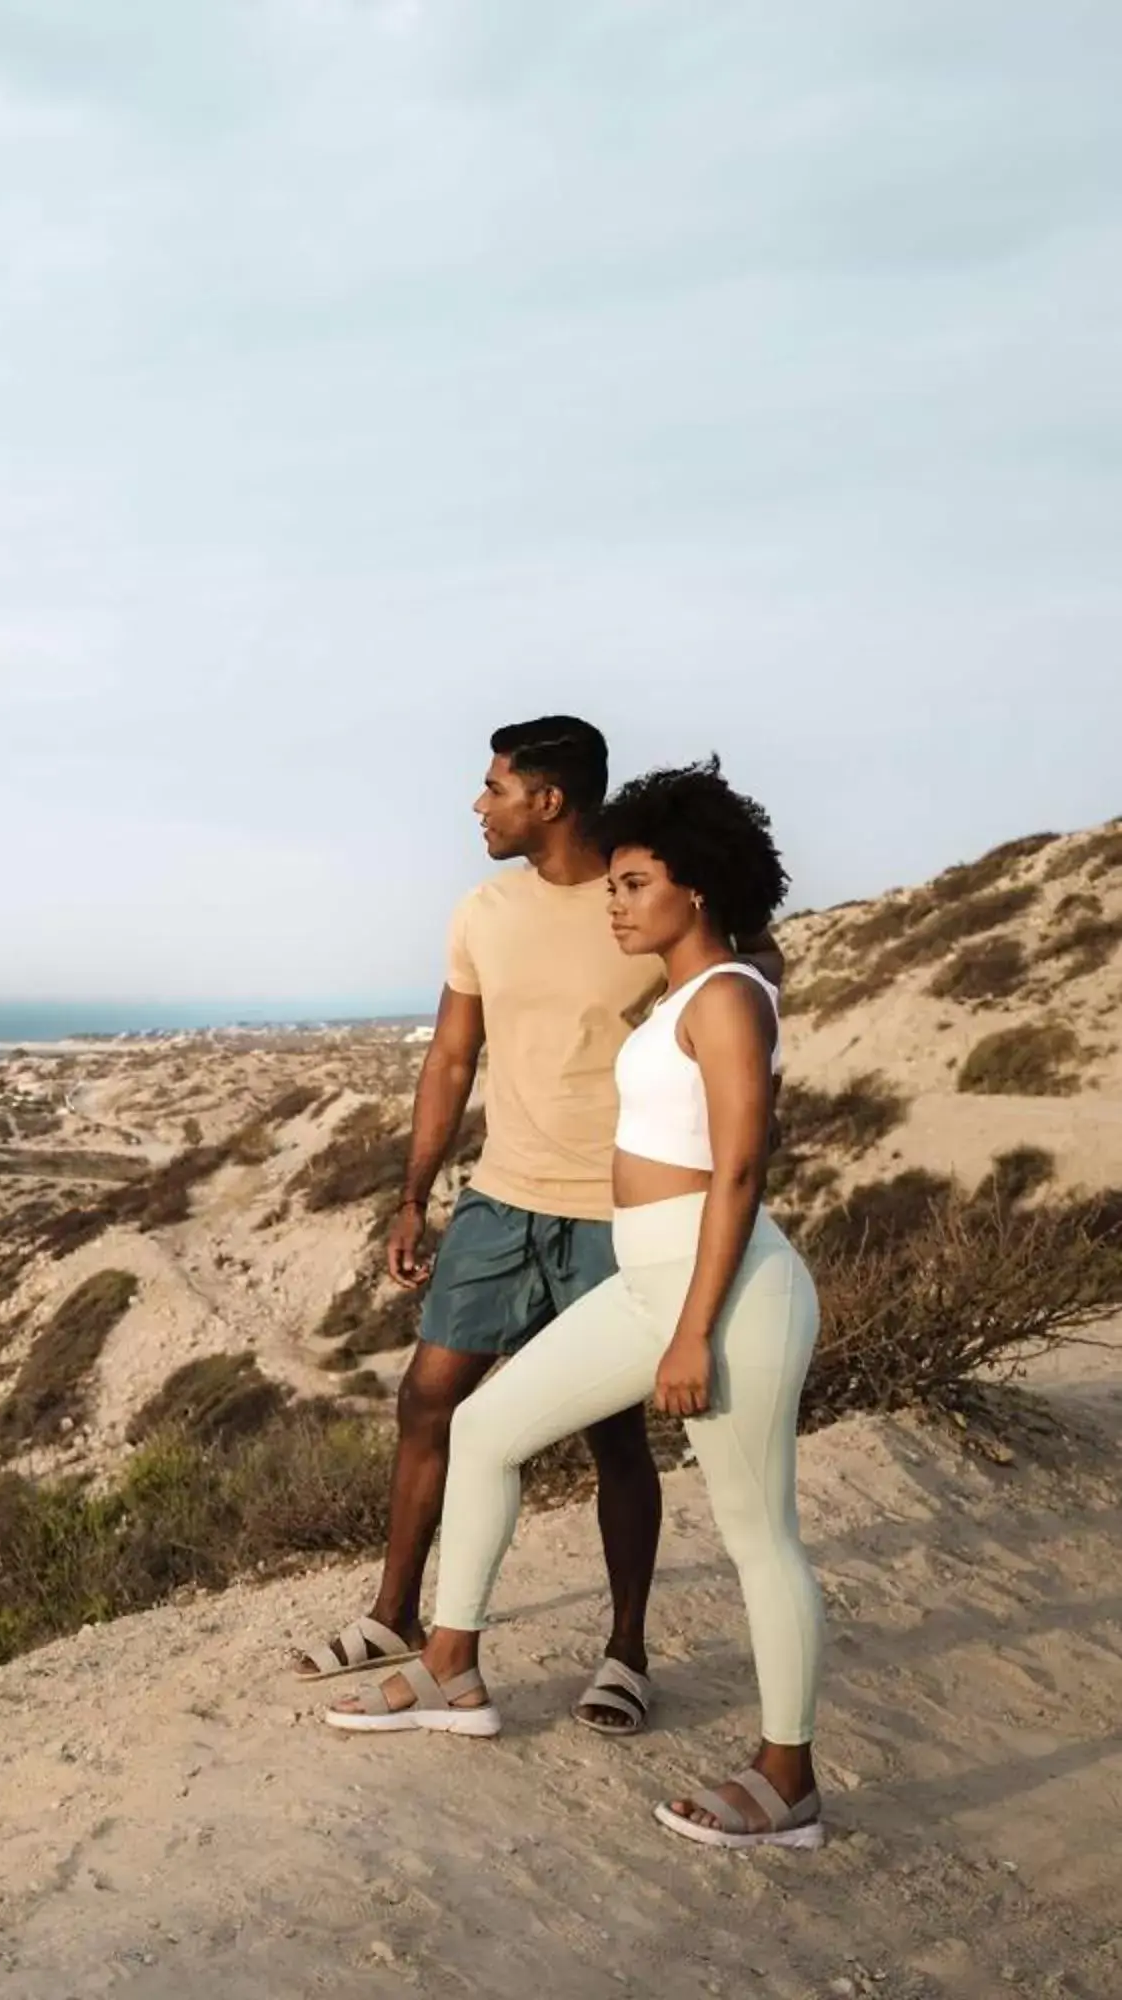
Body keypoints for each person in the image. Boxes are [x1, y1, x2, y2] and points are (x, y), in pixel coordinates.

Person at [325, 759, 829, 1852]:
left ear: (694, 889)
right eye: (616, 880)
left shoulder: (730, 997)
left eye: (636, 882)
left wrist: (693, 1329)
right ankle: (452, 1666)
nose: (615, 898)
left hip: (726, 1291)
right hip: (651, 1281)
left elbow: (741, 1170)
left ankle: (788, 1778)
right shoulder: (694, 989)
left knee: (759, 1536)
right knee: (483, 1427)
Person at [289, 717, 668, 1739]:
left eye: (494, 785)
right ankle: (395, 1614)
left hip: (615, 1210)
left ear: (550, 800)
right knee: (429, 1397)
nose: (477, 802)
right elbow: (451, 1057)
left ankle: (627, 1649)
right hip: (502, 1198)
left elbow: (734, 995)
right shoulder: (483, 909)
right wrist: (415, 1195)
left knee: (613, 1430)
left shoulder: (643, 905)